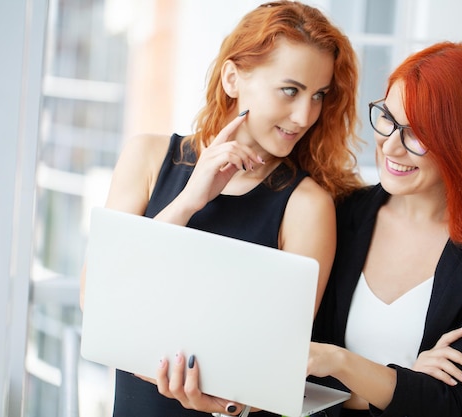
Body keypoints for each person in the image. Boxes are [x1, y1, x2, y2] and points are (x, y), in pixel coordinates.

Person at [78, 1, 364, 416]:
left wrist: (227, 404)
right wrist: (190, 200)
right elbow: (98, 297)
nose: (305, 115)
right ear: (233, 78)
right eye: (290, 90)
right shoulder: (146, 156)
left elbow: (278, 360)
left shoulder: (306, 206)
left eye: (318, 95)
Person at [308, 41, 462, 417]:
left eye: (418, 134)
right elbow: (302, 379)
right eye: (388, 118)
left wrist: (342, 363)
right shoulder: (340, 214)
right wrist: (409, 382)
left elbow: (461, 403)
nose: (390, 147)